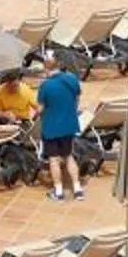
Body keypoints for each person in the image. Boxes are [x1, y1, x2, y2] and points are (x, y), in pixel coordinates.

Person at [35, 59, 85, 201]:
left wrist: (34, 115)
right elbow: (77, 99)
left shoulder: (45, 86)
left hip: (51, 128)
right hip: (69, 124)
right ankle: (77, 189)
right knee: (69, 156)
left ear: (46, 69)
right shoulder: (72, 79)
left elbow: (40, 108)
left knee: (54, 160)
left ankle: (58, 191)